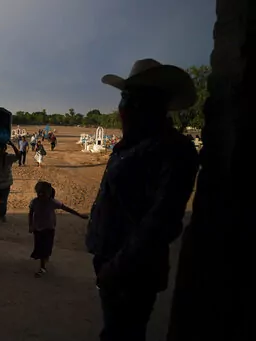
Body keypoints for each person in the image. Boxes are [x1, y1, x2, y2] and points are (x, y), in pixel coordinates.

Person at [86, 59, 199, 341]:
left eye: (129, 98)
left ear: (149, 105)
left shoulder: (173, 150)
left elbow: (160, 223)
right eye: (124, 98)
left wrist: (115, 268)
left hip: (132, 271)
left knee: (122, 334)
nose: (122, 107)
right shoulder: (132, 143)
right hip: (111, 259)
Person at [29, 181, 88, 277]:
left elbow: (67, 208)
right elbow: (31, 213)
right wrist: (30, 225)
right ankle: (42, 266)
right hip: (38, 229)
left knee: (46, 247)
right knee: (41, 248)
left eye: (43, 193)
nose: (41, 196)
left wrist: (80, 215)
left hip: (49, 229)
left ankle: (43, 264)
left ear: (49, 194)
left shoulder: (52, 202)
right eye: (39, 193)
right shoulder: (35, 202)